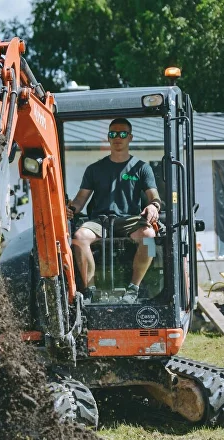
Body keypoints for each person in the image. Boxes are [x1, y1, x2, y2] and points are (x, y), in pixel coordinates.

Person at [65, 118, 164, 303]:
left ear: (130, 138)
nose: (117, 137)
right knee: (79, 237)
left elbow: (154, 197)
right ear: (108, 138)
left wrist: (153, 206)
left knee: (150, 238)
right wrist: (71, 209)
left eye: (122, 134)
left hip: (131, 221)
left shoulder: (142, 168)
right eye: (113, 134)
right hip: (100, 221)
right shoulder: (94, 169)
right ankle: (90, 290)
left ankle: (134, 288)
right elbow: (80, 200)